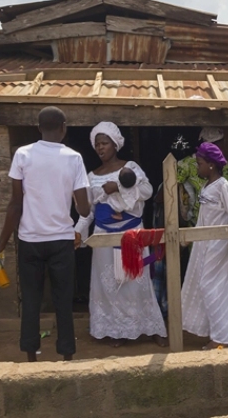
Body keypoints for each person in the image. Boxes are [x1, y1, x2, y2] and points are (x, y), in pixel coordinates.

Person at [0, 106, 90, 362]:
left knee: (31, 300)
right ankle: (67, 356)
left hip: (30, 241)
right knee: (63, 301)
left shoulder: (23, 155)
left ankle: (31, 357)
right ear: (64, 128)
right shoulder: (74, 158)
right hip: (61, 241)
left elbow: (15, 204)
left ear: (38, 128)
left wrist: (0, 244)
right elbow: (84, 208)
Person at [74, 122, 167, 348]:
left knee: (137, 281)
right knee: (110, 285)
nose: (100, 148)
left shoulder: (131, 167)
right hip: (104, 236)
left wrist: (118, 187)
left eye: (105, 143)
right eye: (97, 144)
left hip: (131, 234)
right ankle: (118, 331)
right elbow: (89, 211)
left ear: (115, 144)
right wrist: (78, 231)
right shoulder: (91, 175)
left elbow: (147, 191)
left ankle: (150, 327)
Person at [181, 143, 228, 349]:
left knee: (211, 287)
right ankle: (218, 332)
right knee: (206, 286)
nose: (197, 167)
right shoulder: (206, 187)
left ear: (211, 165)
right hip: (205, 245)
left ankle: (221, 337)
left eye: (200, 163)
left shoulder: (224, 186)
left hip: (221, 246)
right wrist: (191, 238)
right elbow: (203, 219)